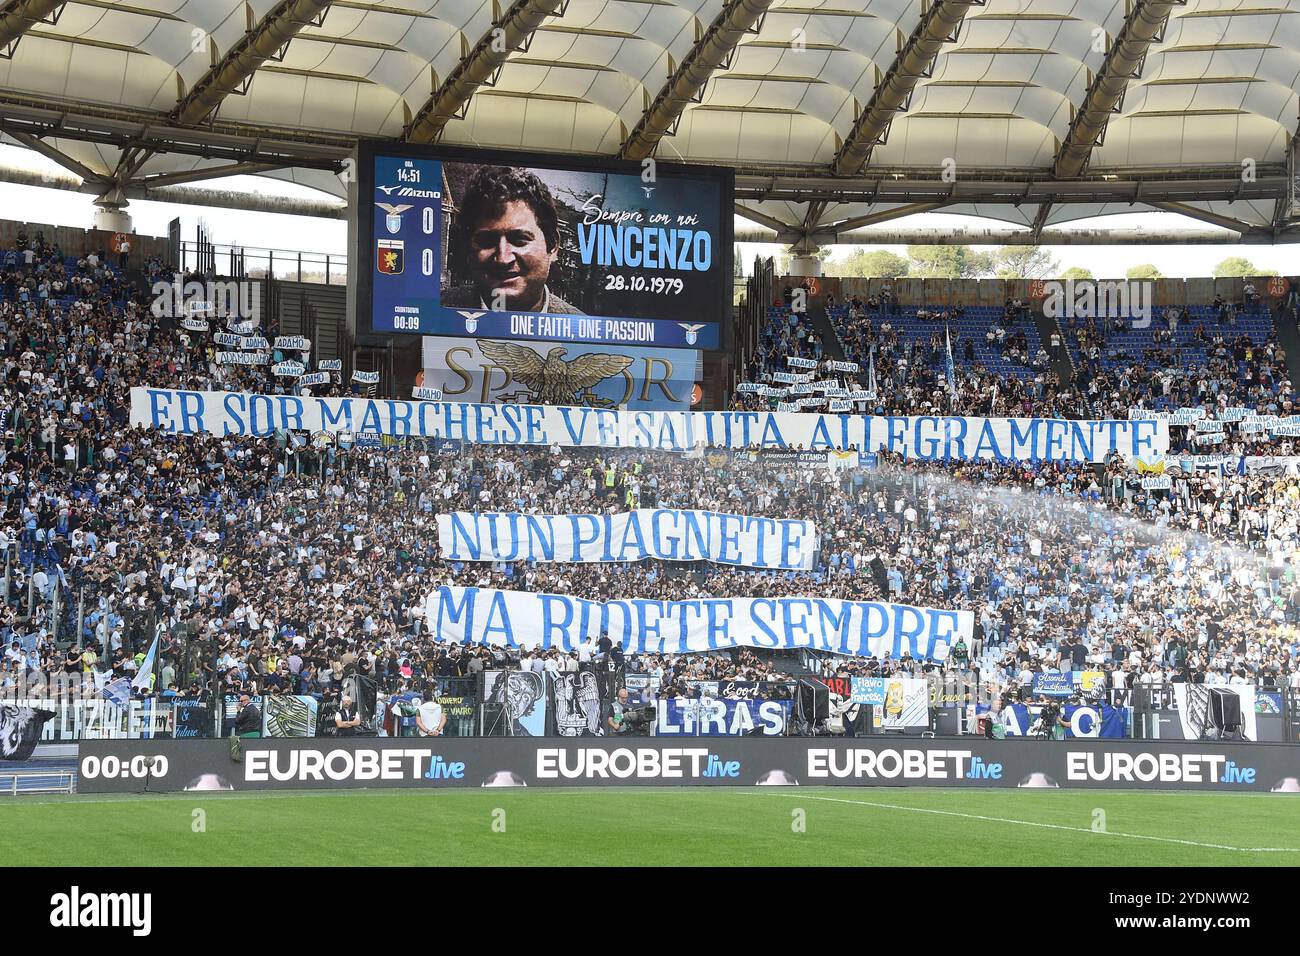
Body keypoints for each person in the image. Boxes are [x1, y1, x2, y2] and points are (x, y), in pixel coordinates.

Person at [441, 165, 583, 314]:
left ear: (552, 245)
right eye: (487, 241)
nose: (503, 259)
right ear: (469, 251)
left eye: (519, 240)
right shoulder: (434, 312)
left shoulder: (581, 328)